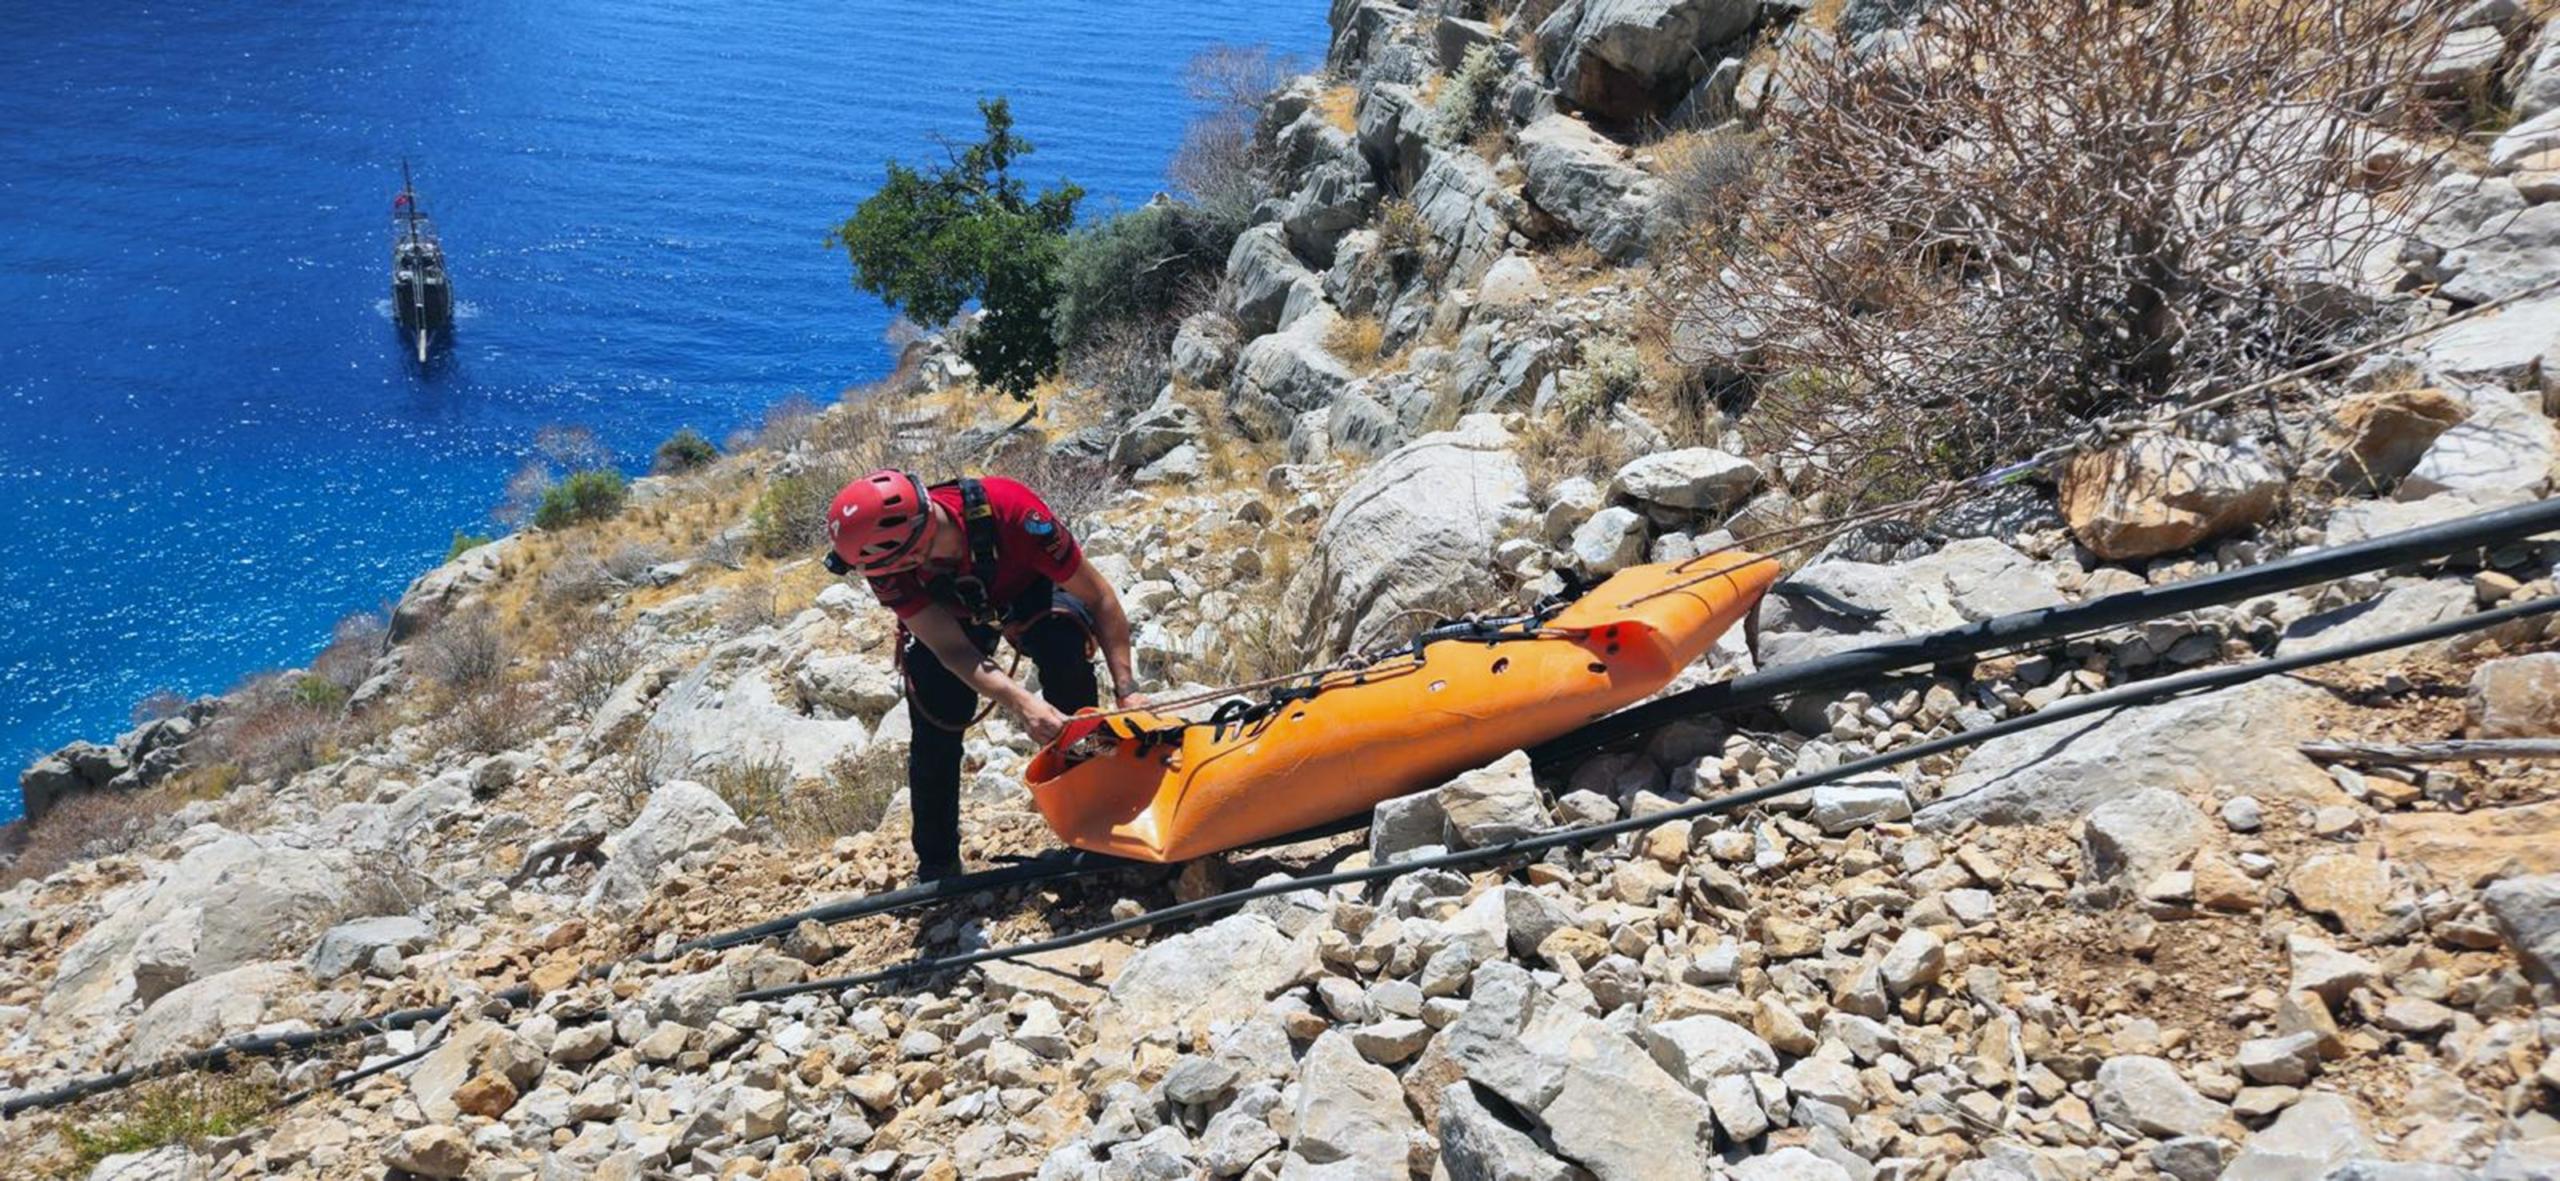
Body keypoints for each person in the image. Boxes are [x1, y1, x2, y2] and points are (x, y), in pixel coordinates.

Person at [823, 469, 1143, 882]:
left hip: (1031, 589)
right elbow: (952, 649)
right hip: (952, 613)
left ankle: (1097, 814)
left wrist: (1127, 691)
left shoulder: (1013, 511)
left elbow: (1098, 596)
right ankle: (937, 863)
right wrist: (1022, 702)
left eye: (888, 567)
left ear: (913, 548)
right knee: (936, 720)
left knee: (1065, 656)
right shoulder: (884, 566)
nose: (878, 579)